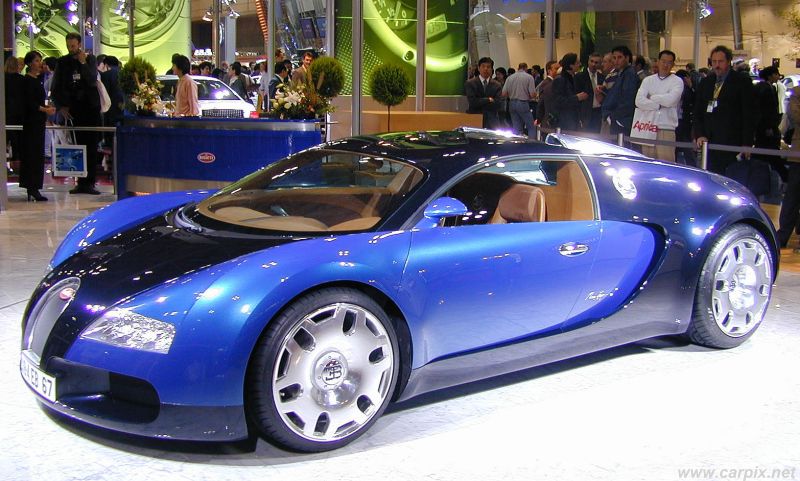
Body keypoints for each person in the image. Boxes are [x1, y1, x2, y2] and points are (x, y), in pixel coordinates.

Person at [50, 32, 102, 195]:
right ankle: (79, 181)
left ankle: (90, 182)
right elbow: (55, 87)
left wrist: (83, 62)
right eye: (68, 46)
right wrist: (61, 107)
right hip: (73, 110)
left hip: (90, 109)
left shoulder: (90, 59)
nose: (71, 49)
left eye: (73, 46)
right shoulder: (62, 62)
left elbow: (92, 80)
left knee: (91, 146)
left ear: (79, 44)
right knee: (76, 146)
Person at [693, 45, 756, 175]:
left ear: (728, 61)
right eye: (714, 61)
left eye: (720, 61)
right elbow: (698, 111)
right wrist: (699, 134)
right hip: (708, 142)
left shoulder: (741, 81)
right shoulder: (706, 82)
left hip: (732, 142)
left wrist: (747, 143)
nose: (717, 65)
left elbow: (749, 114)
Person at [632, 49, 683, 162]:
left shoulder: (677, 81)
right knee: (648, 163)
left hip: (666, 128)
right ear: (658, 62)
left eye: (669, 62)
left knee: (667, 164)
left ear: (673, 64)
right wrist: (659, 104)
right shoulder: (648, 80)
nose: (665, 65)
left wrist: (652, 97)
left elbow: (671, 100)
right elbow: (639, 101)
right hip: (647, 126)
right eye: (663, 61)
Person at [19, 51, 57, 201]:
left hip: (38, 122)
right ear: (29, 63)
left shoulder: (37, 80)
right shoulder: (27, 81)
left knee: (37, 154)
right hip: (31, 122)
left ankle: (34, 187)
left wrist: (46, 108)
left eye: (40, 60)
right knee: (32, 154)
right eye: (36, 61)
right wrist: (44, 110)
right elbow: (30, 103)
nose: (39, 63)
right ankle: (32, 187)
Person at [753, 66, 786, 180]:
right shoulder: (766, 89)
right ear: (770, 75)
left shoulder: (766, 87)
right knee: (769, 150)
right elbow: (767, 109)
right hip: (766, 126)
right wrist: (769, 126)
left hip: (763, 125)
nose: (778, 76)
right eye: (776, 74)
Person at [777, 85, 800, 249]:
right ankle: (783, 235)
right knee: (792, 196)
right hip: (798, 156)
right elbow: (795, 116)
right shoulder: (797, 92)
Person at [602, 45, 640, 139]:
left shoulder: (629, 74)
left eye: (619, 57)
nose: (616, 61)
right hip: (618, 119)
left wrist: (613, 117)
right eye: (614, 58)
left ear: (627, 58)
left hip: (622, 121)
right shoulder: (622, 73)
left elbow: (628, 99)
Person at [550, 53, 589, 132]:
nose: (580, 64)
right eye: (577, 63)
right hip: (564, 122)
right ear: (571, 65)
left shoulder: (573, 78)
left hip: (572, 120)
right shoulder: (560, 80)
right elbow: (558, 101)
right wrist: (577, 98)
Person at [465, 57, 503, 129]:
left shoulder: (497, 85)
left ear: (492, 70)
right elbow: (473, 102)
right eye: (483, 66)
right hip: (475, 119)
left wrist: (480, 101)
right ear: (478, 68)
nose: (486, 69)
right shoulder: (470, 83)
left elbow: (498, 104)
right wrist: (488, 100)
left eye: (488, 67)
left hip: (492, 122)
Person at [501, 62, 537, 135]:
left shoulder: (509, 78)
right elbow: (532, 94)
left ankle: (517, 141)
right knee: (531, 127)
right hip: (523, 103)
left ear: (518, 68)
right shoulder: (529, 77)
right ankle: (531, 141)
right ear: (526, 68)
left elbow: (503, 93)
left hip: (511, 103)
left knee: (516, 127)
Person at [575, 52, 604, 133]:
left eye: (596, 62)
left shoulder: (602, 77)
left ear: (600, 64)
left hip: (598, 112)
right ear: (588, 61)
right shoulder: (579, 77)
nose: (593, 64)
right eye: (591, 61)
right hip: (585, 113)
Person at [5, 56, 25, 170]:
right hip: (18, 115)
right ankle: (17, 167)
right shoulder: (22, 80)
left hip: (5, 115)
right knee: (17, 143)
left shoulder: (3, 79)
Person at [535, 60, 559, 128]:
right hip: (548, 119)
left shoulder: (555, 82)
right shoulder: (547, 83)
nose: (558, 71)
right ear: (549, 71)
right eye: (556, 69)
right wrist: (539, 118)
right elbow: (541, 102)